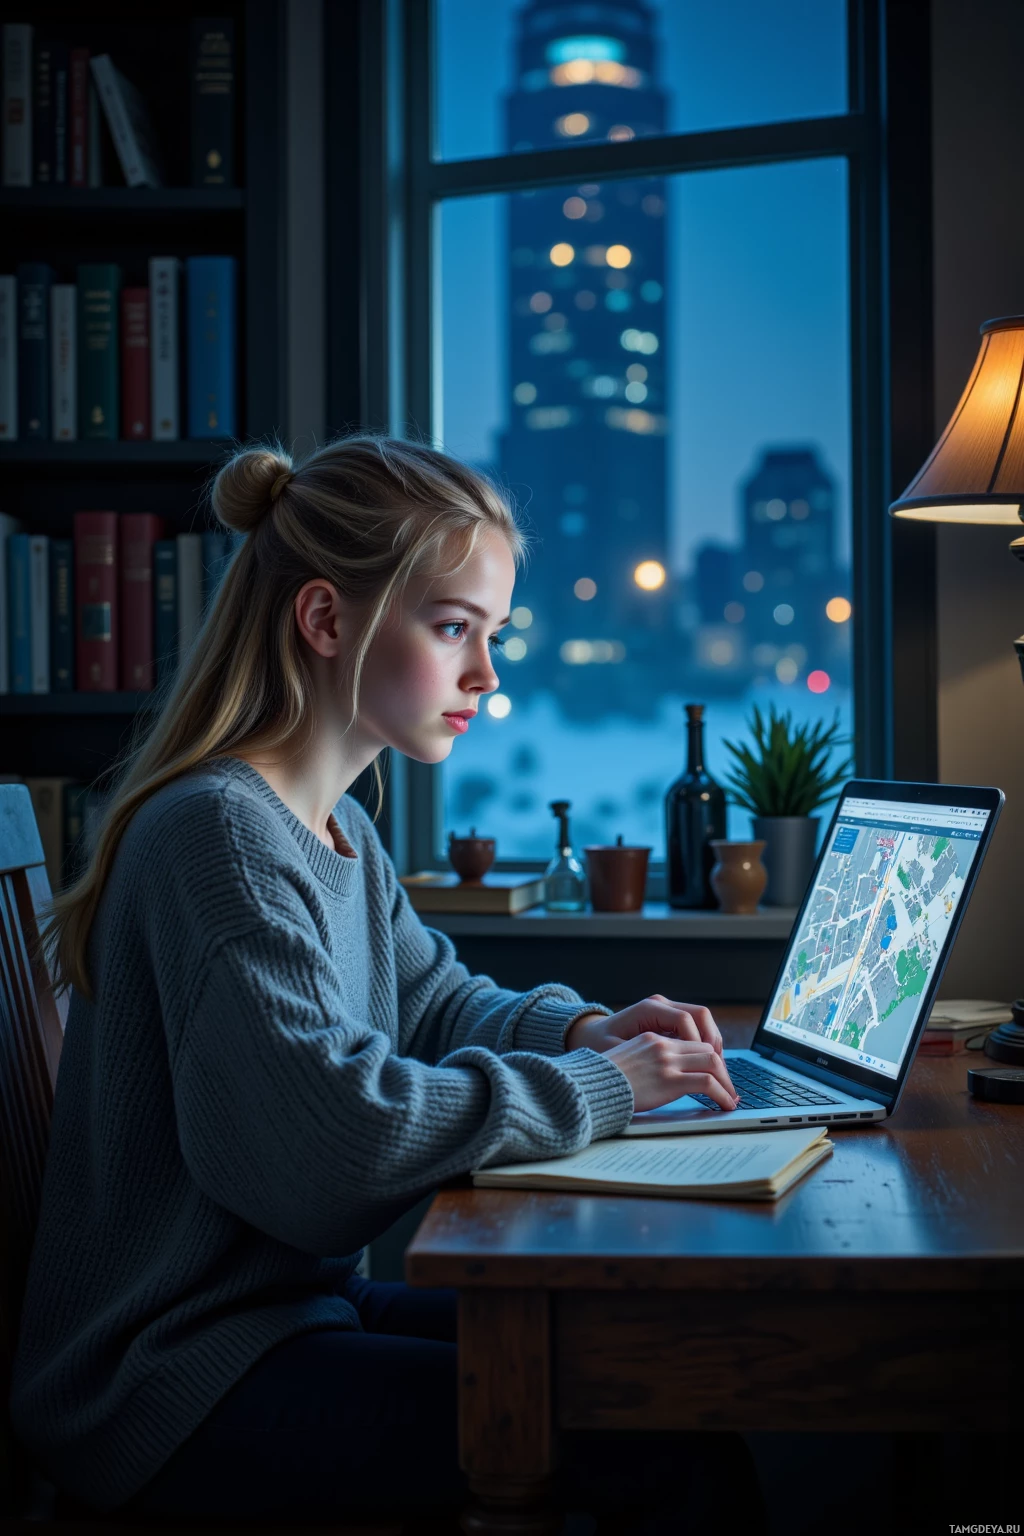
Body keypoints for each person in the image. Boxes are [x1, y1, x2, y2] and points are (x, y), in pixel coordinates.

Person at [12, 435, 758, 1533]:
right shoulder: (217, 838)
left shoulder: (334, 828)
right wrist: (608, 1088)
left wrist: (586, 1030)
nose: (487, 676)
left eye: (492, 635)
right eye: (453, 627)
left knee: (661, 1389)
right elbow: (335, 1153)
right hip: (172, 1377)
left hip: (283, 1314)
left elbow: (439, 1002)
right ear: (325, 621)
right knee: (652, 1451)